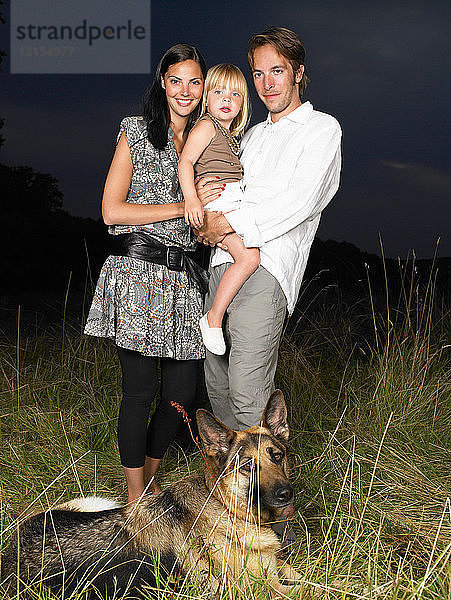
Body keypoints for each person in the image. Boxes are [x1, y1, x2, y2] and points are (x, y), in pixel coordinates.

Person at [195, 27, 342, 431]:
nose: (266, 83)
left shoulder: (322, 129)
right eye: (258, 74)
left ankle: (269, 494)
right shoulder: (252, 135)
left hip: (266, 269)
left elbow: (299, 202)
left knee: (248, 395)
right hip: (221, 262)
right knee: (218, 391)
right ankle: (229, 494)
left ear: (298, 72)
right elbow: (225, 185)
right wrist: (204, 198)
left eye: (277, 71)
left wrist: (225, 222)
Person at [84, 44, 207, 504]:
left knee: (181, 395)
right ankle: (137, 498)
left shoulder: (204, 141)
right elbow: (110, 210)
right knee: (139, 392)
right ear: (162, 83)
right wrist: (182, 205)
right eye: (176, 80)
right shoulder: (136, 132)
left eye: (194, 82)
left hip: (184, 281)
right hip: (137, 276)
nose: (185, 91)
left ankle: (150, 481)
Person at [178, 64, 259, 355]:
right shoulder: (206, 125)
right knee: (249, 257)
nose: (227, 99)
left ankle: (217, 314)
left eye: (235, 94)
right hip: (217, 203)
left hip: (231, 201)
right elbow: (186, 162)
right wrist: (191, 199)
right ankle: (213, 318)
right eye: (219, 91)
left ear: (242, 103)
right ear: (206, 98)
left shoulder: (232, 136)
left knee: (247, 254)